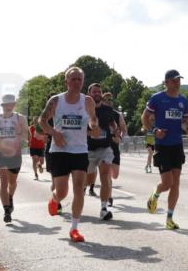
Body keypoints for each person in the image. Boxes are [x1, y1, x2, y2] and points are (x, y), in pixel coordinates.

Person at [38, 67, 101, 243]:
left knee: (79, 188)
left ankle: (74, 228)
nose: (76, 83)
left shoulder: (87, 101)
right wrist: (54, 134)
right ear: (66, 81)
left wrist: (94, 125)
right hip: (59, 151)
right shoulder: (56, 101)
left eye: (80, 79)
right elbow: (41, 121)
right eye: (73, 79)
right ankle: (55, 198)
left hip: (79, 149)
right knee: (63, 191)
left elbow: (93, 118)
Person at [143, 70, 188, 230]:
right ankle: (155, 195)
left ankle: (169, 219)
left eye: (179, 80)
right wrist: (154, 130)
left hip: (176, 145)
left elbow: (184, 121)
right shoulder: (157, 98)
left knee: (176, 183)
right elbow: (144, 118)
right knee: (167, 183)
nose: (177, 83)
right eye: (174, 80)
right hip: (162, 145)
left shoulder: (183, 101)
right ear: (166, 82)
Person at [0, 95, 29, 224]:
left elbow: (28, 138)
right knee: (4, 181)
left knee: (12, 182)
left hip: (15, 154)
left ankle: (10, 198)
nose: (9, 106)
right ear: (2, 106)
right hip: (0, 153)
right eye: (6, 104)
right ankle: (6, 211)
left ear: (14, 105)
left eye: (12, 104)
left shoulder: (20, 118)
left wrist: (21, 133)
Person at [84, 83, 117, 220]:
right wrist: (90, 133)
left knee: (105, 175)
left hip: (105, 148)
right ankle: (83, 189)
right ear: (89, 94)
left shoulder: (107, 109)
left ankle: (103, 209)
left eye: (99, 92)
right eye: (94, 92)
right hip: (88, 150)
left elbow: (113, 123)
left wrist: (115, 131)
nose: (97, 94)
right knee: (89, 179)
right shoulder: (83, 109)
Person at [104, 92, 127, 205]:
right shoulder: (99, 113)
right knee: (107, 174)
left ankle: (108, 190)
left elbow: (124, 129)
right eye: (106, 99)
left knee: (115, 175)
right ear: (102, 101)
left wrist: (120, 138)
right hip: (103, 147)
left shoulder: (118, 115)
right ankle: (109, 196)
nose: (109, 101)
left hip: (114, 147)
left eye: (110, 99)